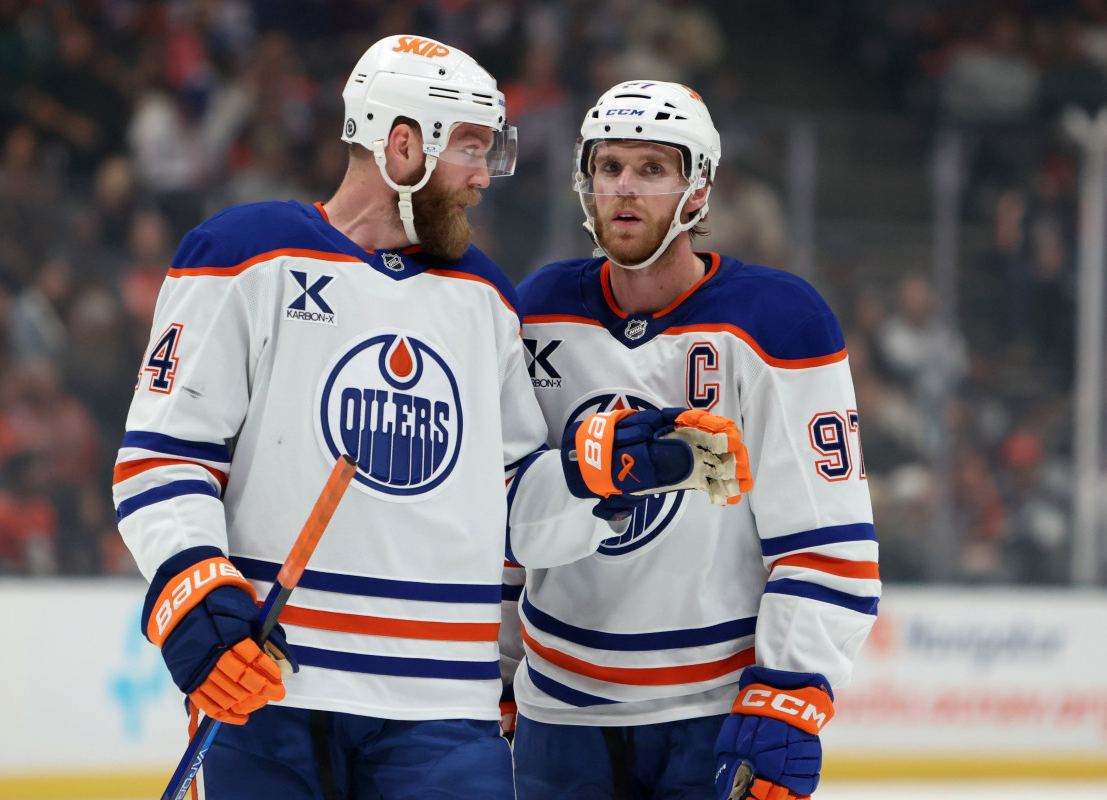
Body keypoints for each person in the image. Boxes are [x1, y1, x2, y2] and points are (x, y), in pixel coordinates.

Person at [112, 39, 744, 800]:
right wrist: (196, 596)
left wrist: (596, 475)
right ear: (404, 144)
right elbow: (162, 460)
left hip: (443, 711)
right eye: (472, 149)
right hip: (277, 687)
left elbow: (514, 508)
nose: (484, 176)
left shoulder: (483, 296)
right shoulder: (241, 258)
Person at [506, 80, 882, 800]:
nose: (624, 188)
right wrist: (491, 676)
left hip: (710, 712)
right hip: (556, 712)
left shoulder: (777, 322)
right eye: (609, 166)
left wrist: (788, 695)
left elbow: (827, 544)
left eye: (653, 169)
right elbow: (505, 526)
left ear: (698, 188)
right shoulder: (536, 313)